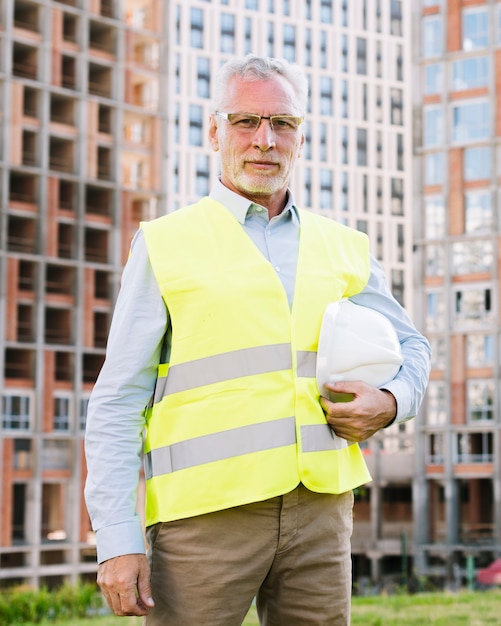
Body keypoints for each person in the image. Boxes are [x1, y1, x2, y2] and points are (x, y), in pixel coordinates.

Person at [84, 54, 431, 626]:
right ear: (214, 131)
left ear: (301, 136)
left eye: (283, 124)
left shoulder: (345, 245)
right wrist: (118, 540)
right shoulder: (166, 243)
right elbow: (118, 399)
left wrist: (391, 402)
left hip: (321, 515)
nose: (265, 140)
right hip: (203, 521)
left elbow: (412, 348)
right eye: (246, 122)